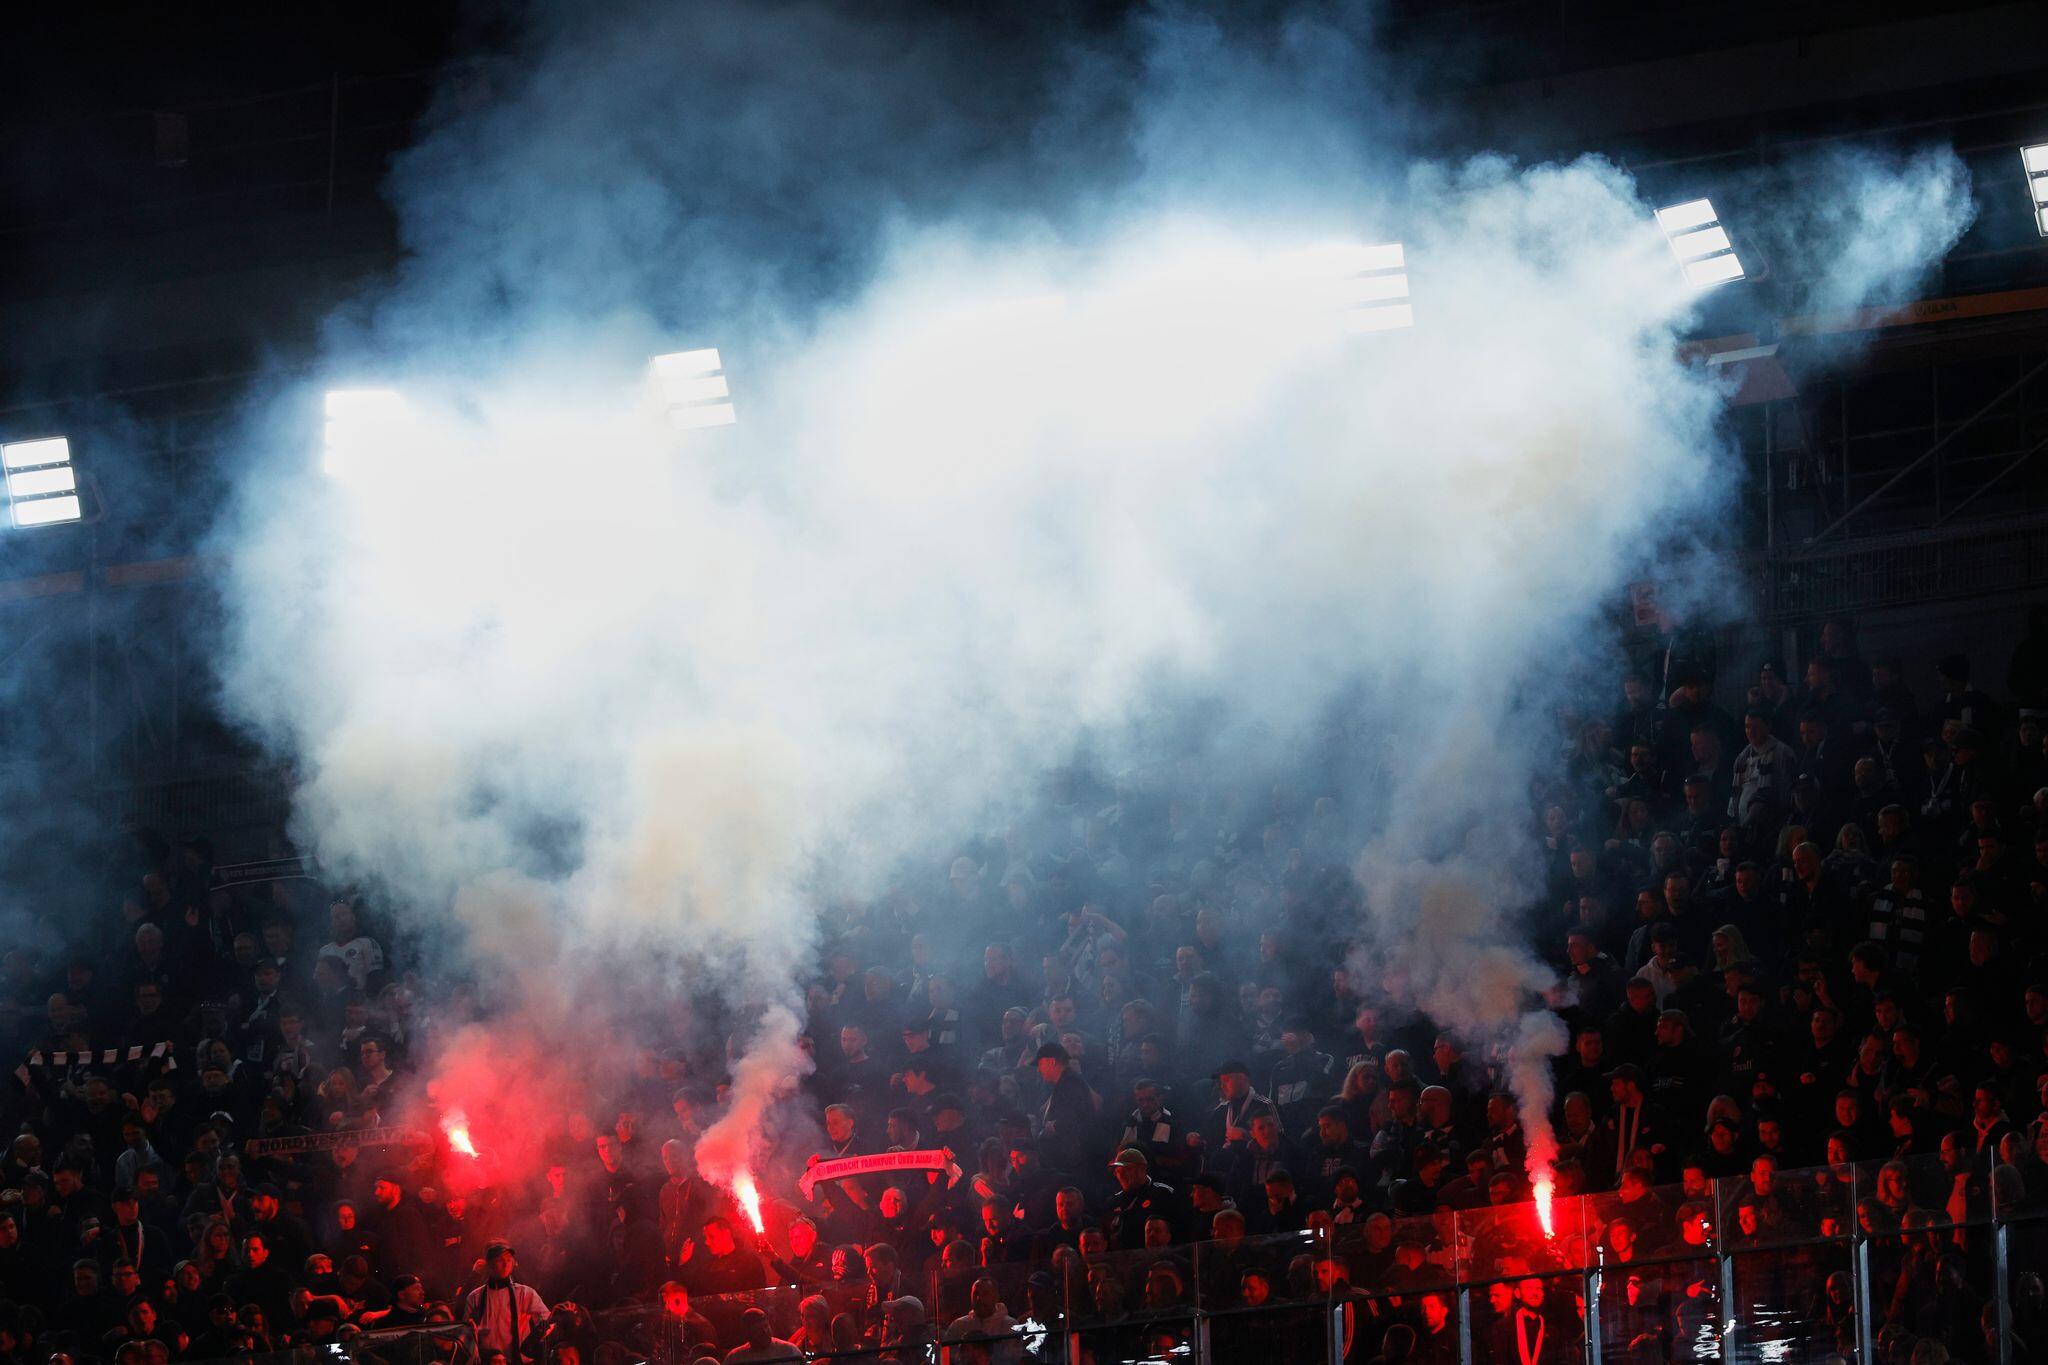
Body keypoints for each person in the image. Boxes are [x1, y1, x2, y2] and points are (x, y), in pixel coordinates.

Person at [462, 1241, 550, 1358]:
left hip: (518, 1360)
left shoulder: (525, 1293)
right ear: (489, 1264)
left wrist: (536, 1337)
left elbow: (546, 1320)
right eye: (500, 1260)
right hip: (487, 1360)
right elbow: (466, 1331)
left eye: (508, 1260)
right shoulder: (475, 1297)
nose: (505, 1264)